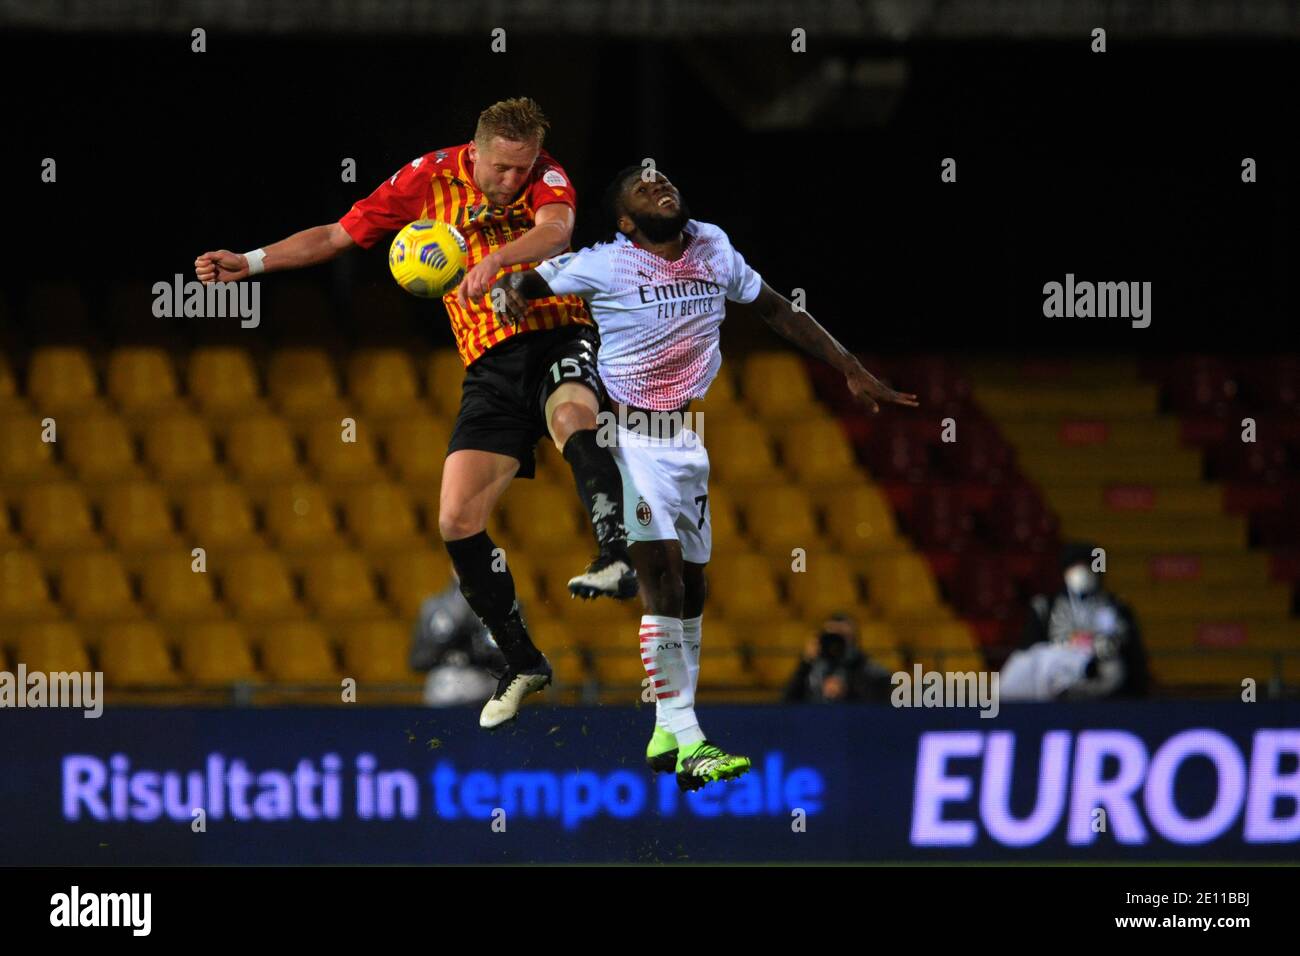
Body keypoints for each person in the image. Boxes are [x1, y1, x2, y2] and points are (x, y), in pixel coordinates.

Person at [194, 98, 636, 730]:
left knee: (573, 420)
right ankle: (522, 661)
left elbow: (557, 231)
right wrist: (253, 263)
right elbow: (336, 235)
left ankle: (615, 554)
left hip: (558, 336)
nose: (514, 180)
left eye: (524, 168)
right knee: (456, 520)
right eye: (503, 168)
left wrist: (497, 259)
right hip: (487, 365)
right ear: (475, 151)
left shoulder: (547, 175)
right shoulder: (424, 180)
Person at [491, 166, 918, 790]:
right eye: (642, 188)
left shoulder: (713, 245)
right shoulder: (606, 262)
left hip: (685, 441)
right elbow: (532, 281)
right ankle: (691, 740)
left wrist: (848, 365)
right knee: (660, 578)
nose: (658, 183)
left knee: (693, 591)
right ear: (627, 224)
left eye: (660, 177)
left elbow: (774, 308)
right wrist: (511, 291)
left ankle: (667, 730)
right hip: (626, 438)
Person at [1001, 540, 1150, 700]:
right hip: (1054, 688)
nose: (1082, 571)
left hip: (1103, 685)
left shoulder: (1114, 607)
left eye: (1088, 566)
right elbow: (1031, 652)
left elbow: (1128, 651)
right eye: (1076, 565)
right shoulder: (1046, 606)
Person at [409, 578, 508, 707]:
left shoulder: (503, 605)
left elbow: (515, 659)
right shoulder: (433, 606)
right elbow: (417, 660)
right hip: (443, 689)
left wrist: (476, 653)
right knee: (446, 681)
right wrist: (445, 643)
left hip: (485, 686)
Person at [783, 613, 894, 704]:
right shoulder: (810, 667)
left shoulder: (869, 669)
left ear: (854, 639)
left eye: (842, 636)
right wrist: (805, 662)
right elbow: (786, 702)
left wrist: (847, 688)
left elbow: (879, 704)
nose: (836, 644)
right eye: (831, 636)